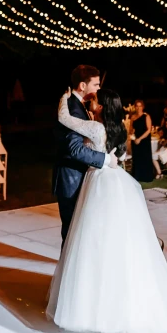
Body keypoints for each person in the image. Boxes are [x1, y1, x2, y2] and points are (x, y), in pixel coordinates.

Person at [47, 89, 167, 333]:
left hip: (97, 179)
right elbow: (121, 154)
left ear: (103, 106)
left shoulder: (96, 128)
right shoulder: (120, 127)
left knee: (92, 236)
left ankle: (92, 300)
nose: (93, 102)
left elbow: (65, 119)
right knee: (118, 237)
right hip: (116, 179)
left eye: (97, 101)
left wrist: (64, 98)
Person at [53, 65, 117, 245]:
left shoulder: (79, 106)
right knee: (72, 232)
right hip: (72, 177)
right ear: (82, 85)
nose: (99, 89)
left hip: (84, 177)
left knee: (81, 233)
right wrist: (106, 160)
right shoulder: (73, 108)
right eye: (96, 85)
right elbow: (75, 149)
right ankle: (68, 271)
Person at [130, 100, 154, 182]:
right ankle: (137, 176)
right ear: (135, 107)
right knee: (136, 158)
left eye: (140, 106)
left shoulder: (146, 116)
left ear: (143, 107)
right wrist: (133, 136)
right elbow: (131, 130)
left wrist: (140, 139)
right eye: (137, 106)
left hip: (144, 140)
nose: (138, 108)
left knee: (145, 157)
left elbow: (148, 130)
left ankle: (146, 176)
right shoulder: (133, 117)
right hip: (135, 140)